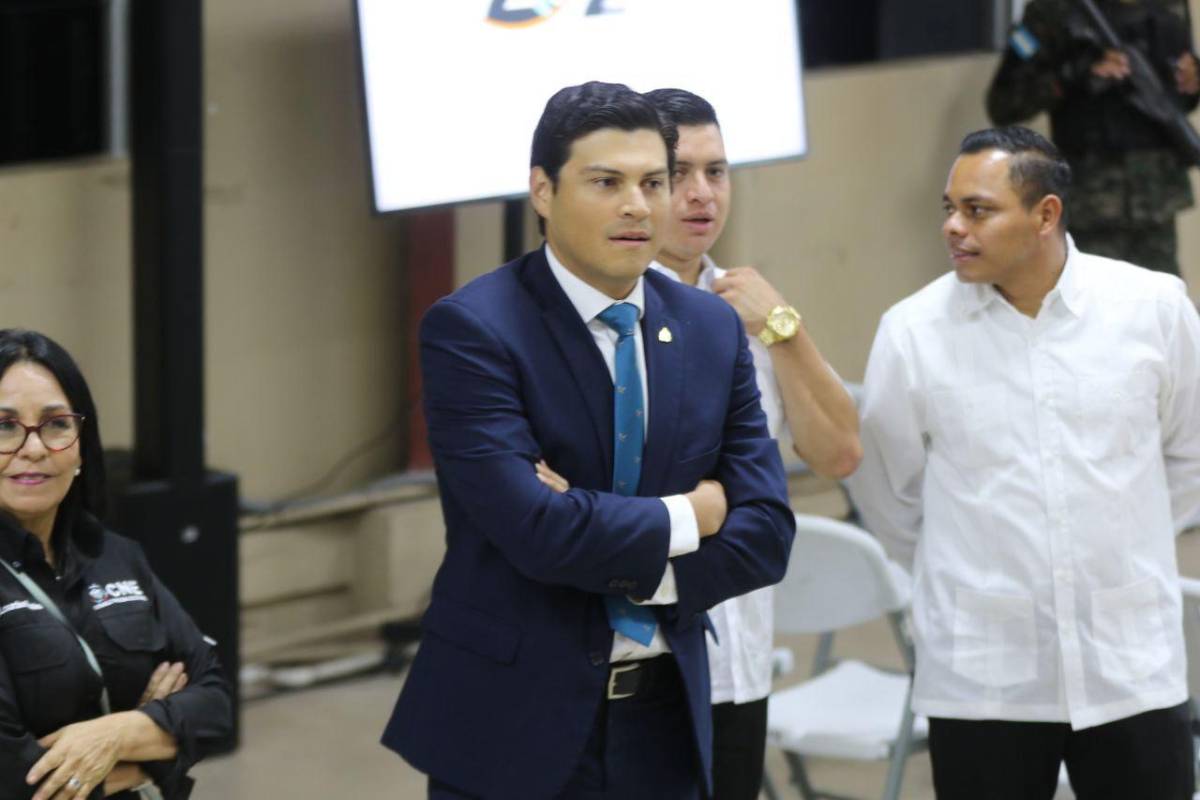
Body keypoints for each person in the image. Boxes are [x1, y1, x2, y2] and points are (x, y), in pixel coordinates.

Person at [379, 81, 796, 799]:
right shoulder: (474, 329)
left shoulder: (708, 327)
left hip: (668, 716)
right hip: (512, 720)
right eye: (606, 182)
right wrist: (691, 515)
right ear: (542, 189)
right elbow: (536, 530)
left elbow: (766, 533)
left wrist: (606, 534)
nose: (638, 205)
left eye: (652, 182)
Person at [847, 126, 1200, 799]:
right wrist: (970, 557)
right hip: (984, 675)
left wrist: (1126, 535)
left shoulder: (1152, 308)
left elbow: (1190, 457)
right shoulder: (913, 331)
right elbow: (889, 493)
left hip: (1130, 663)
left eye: (977, 210)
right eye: (948, 208)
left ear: (1046, 215)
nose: (954, 227)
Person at [644, 87, 861, 800]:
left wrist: (786, 331)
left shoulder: (754, 307)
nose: (702, 194)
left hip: (741, 655)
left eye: (718, 171)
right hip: (643, 657)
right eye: (679, 174)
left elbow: (837, 456)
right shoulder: (610, 312)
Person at [0, 329, 233, 800]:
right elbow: (14, 780)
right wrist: (157, 761)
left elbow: (215, 703)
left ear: (83, 445)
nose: (35, 448)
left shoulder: (115, 553)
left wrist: (114, 735)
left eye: (57, 424)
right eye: (4, 425)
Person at [987, 0, 1200, 276]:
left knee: (1161, 310)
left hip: (1156, 203)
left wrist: (1191, 81)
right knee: (1094, 310)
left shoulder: (1169, 5)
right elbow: (1004, 103)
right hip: (1090, 203)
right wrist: (1074, 74)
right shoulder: (1053, 11)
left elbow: (1177, 100)